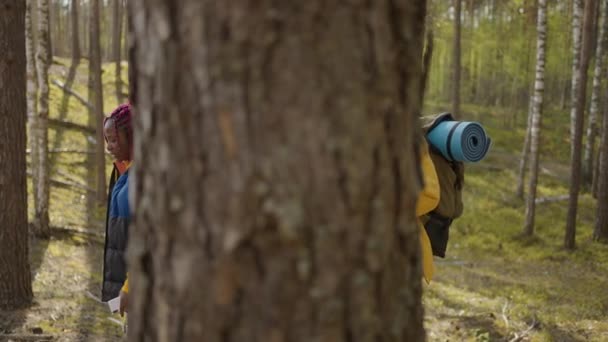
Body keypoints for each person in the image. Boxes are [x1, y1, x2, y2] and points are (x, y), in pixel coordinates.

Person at [101, 103, 133, 317]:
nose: (109, 147)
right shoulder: (124, 170)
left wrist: (131, 286)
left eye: (114, 139)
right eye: (107, 141)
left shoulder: (146, 175)